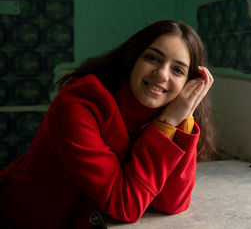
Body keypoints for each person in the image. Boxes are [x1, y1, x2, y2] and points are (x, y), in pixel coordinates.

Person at [0, 20, 215, 228]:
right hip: (26, 219)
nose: (161, 74)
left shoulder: (166, 113)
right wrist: (166, 123)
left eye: (178, 70)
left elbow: (171, 202)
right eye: (152, 58)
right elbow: (124, 204)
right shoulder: (79, 104)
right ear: (133, 59)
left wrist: (183, 117)